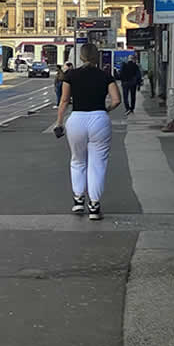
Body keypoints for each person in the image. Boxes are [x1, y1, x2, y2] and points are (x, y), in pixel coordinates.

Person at [53, 43, 121, 221]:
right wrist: (105, 109)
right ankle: (94, 205)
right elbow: (116, 100)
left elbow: (64, 101)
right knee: (97, 163)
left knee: (77, 161)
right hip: (99, 118)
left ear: (81, 57)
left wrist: (59, 123)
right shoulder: (106, 75)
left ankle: (78, 200)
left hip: (77, 119)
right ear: (97, 57)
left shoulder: (71, 75)